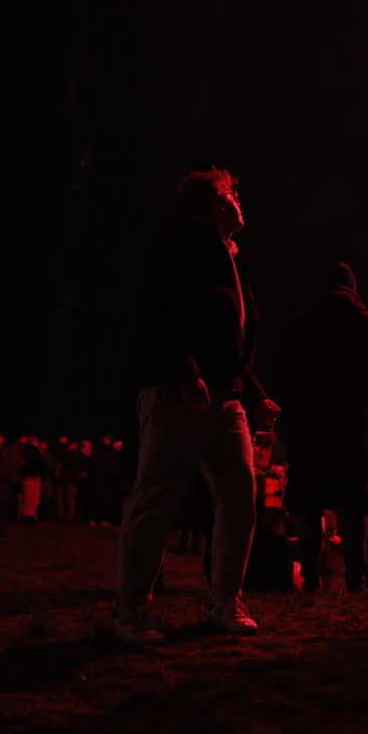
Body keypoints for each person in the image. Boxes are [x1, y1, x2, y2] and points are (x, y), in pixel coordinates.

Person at [113, 168, 280, 645]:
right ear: (211, 204)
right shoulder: (181, 248)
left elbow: (233, 339)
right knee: (158, 497)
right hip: (178, 391)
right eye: (231, 193)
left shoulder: (232, 259)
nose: (238, 200)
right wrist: (186, 372)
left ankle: (227, 601)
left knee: (238, 498)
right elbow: (161, 314)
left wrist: (253, 391)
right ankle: (131, 611)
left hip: (225, 397)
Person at [272, 262, 368, 594]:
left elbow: (281, 373)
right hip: (351, 421)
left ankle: (310, 577)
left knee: (307, 500)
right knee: (353, 502)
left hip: (308, 422)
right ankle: (355, 579)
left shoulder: (299, 324)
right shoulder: (363, 321)